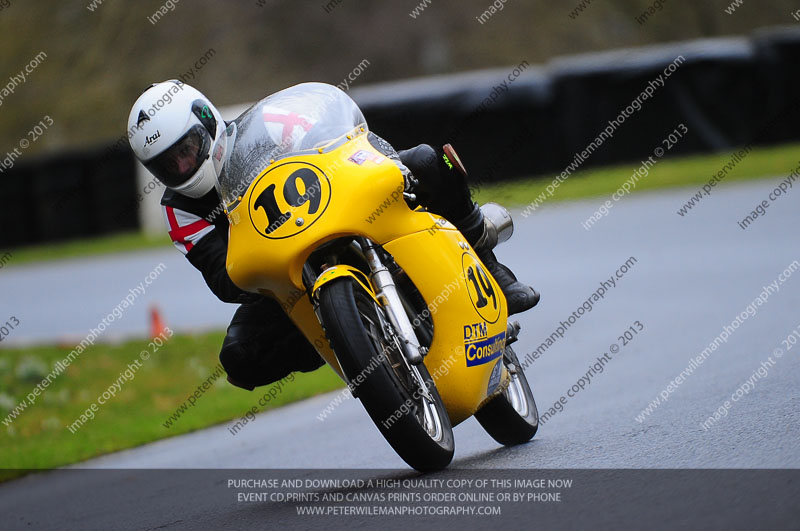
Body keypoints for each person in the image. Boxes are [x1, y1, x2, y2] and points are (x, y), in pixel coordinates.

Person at [127, 80, 539, 391]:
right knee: (239, 358)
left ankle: (489, 262)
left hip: (343, 210)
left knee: (428, 160)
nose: (182, 166)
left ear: (207, 123)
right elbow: (221, 277)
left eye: (186, 150)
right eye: (168, 165)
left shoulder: (268, 126)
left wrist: (385, 167)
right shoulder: (178, 209)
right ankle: (348, 340)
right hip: (284, 276)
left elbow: (345, 141)